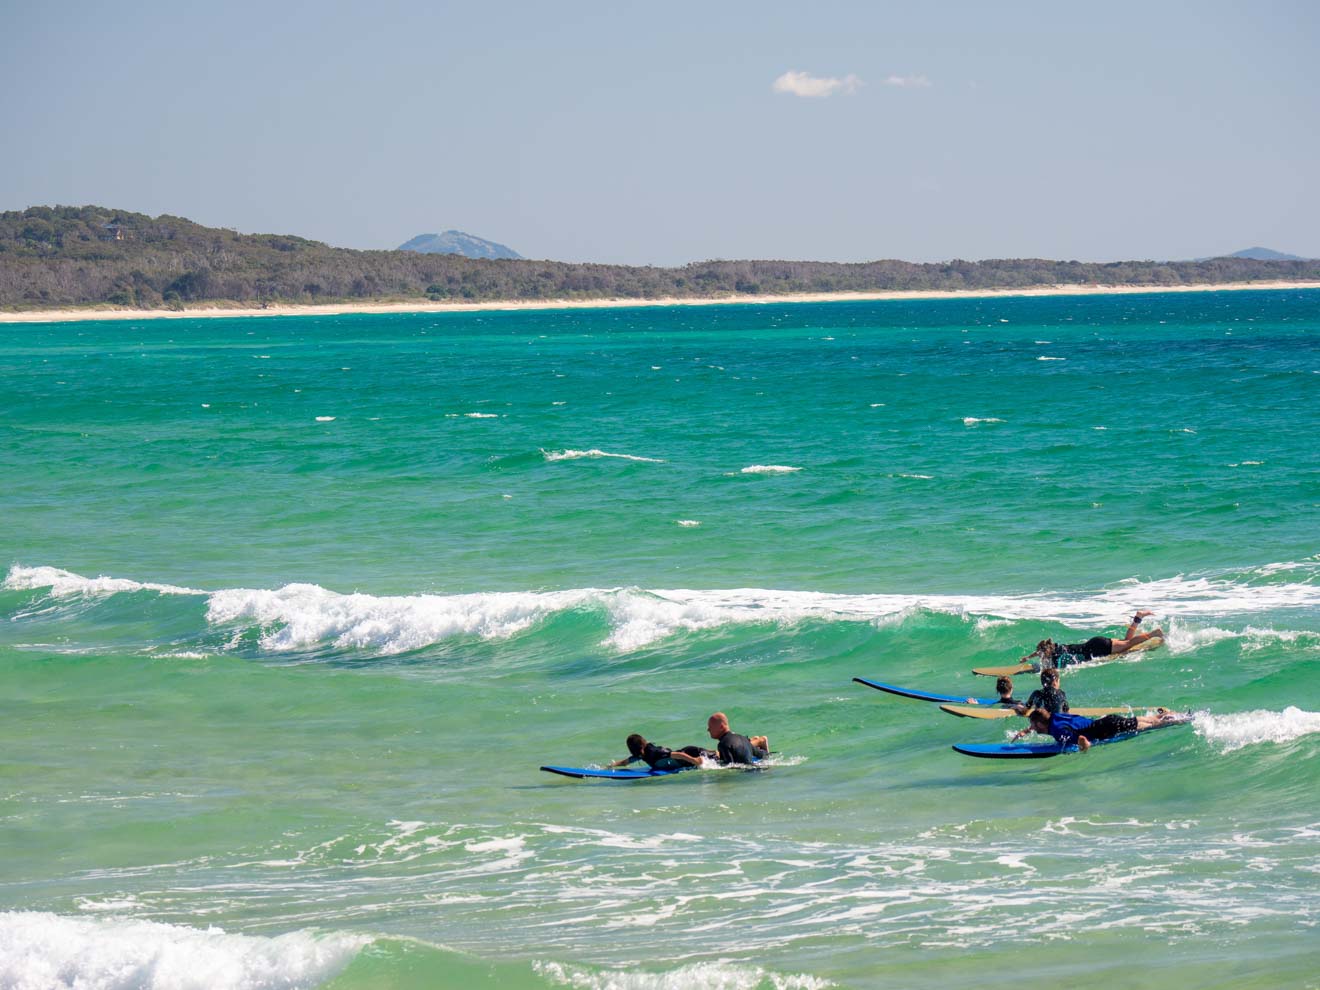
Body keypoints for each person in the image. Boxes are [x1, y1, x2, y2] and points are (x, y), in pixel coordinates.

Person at [1026, 610, 1164, 668]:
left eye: (1043, 655)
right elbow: (1041, 651)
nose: (1042, 657)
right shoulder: (1057, 646)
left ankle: (1154, 633)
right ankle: (1138, 617)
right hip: (1096, 642)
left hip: (1099, 647)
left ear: (1047, 652)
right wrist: (1027, 657)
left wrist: (1032, 661)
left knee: (1128, 643)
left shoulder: (1057, 656)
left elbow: (1048, 660)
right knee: (1126, 641)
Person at [1024, 707, 1183, 752]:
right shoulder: (1054, 716)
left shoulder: (1058, 731)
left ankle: (1180, 720)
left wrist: (1084, 749)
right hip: (1107, 721)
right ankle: (1175, 715)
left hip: (1108, 728)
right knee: (1150, 719)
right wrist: (1029, 729)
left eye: (1034, 726)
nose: (1034, 729)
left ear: (1041, 724)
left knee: (1152, 725)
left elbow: (1084, 742)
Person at [608, 733, 713, 770]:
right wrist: (611, 765)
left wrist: (694, 760)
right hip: (684, 758)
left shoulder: (654, 753)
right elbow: (626, 762)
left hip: (690, 753)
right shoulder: (641, 755)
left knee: (715, 756)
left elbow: (677, 754)